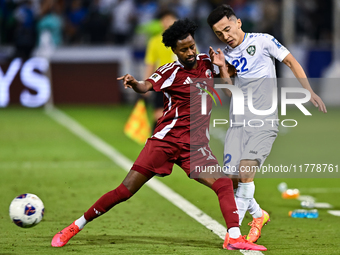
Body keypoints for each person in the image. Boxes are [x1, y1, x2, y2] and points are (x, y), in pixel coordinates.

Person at [51, 18, 267, 251]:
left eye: (192, 46)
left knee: (223, 183)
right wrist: (134, 83)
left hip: (195, 147)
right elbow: (145, 86)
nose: (190, 52)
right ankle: (74, 227)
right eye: (183, 49)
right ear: (174, 51)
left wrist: (223, 66)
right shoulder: (169, 72)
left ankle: (234, 236)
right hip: (164, 142)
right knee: (124, 191)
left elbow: (231, 84)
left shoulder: (208, 62)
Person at [207, 4, 327, 243]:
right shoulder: (226, 56)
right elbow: (231, 93)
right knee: (231, 180)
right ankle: (258, 214)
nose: (225, 37)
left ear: (238, 22)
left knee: (245, 173)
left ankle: (234, 235)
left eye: (228, 29)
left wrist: (309, 91)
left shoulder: (263, 41)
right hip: (238, 123)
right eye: (219, 34)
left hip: (263, 121)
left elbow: (291, 61)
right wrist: (222, 69)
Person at [144, 10, 177, 130]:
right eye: (164, 19)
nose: (167, 22)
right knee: (158, 114)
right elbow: (150, 63)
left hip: (180, 83)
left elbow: (195, 61)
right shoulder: (155, 41)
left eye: (170, 19)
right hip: (162, 82)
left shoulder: (185, 39)